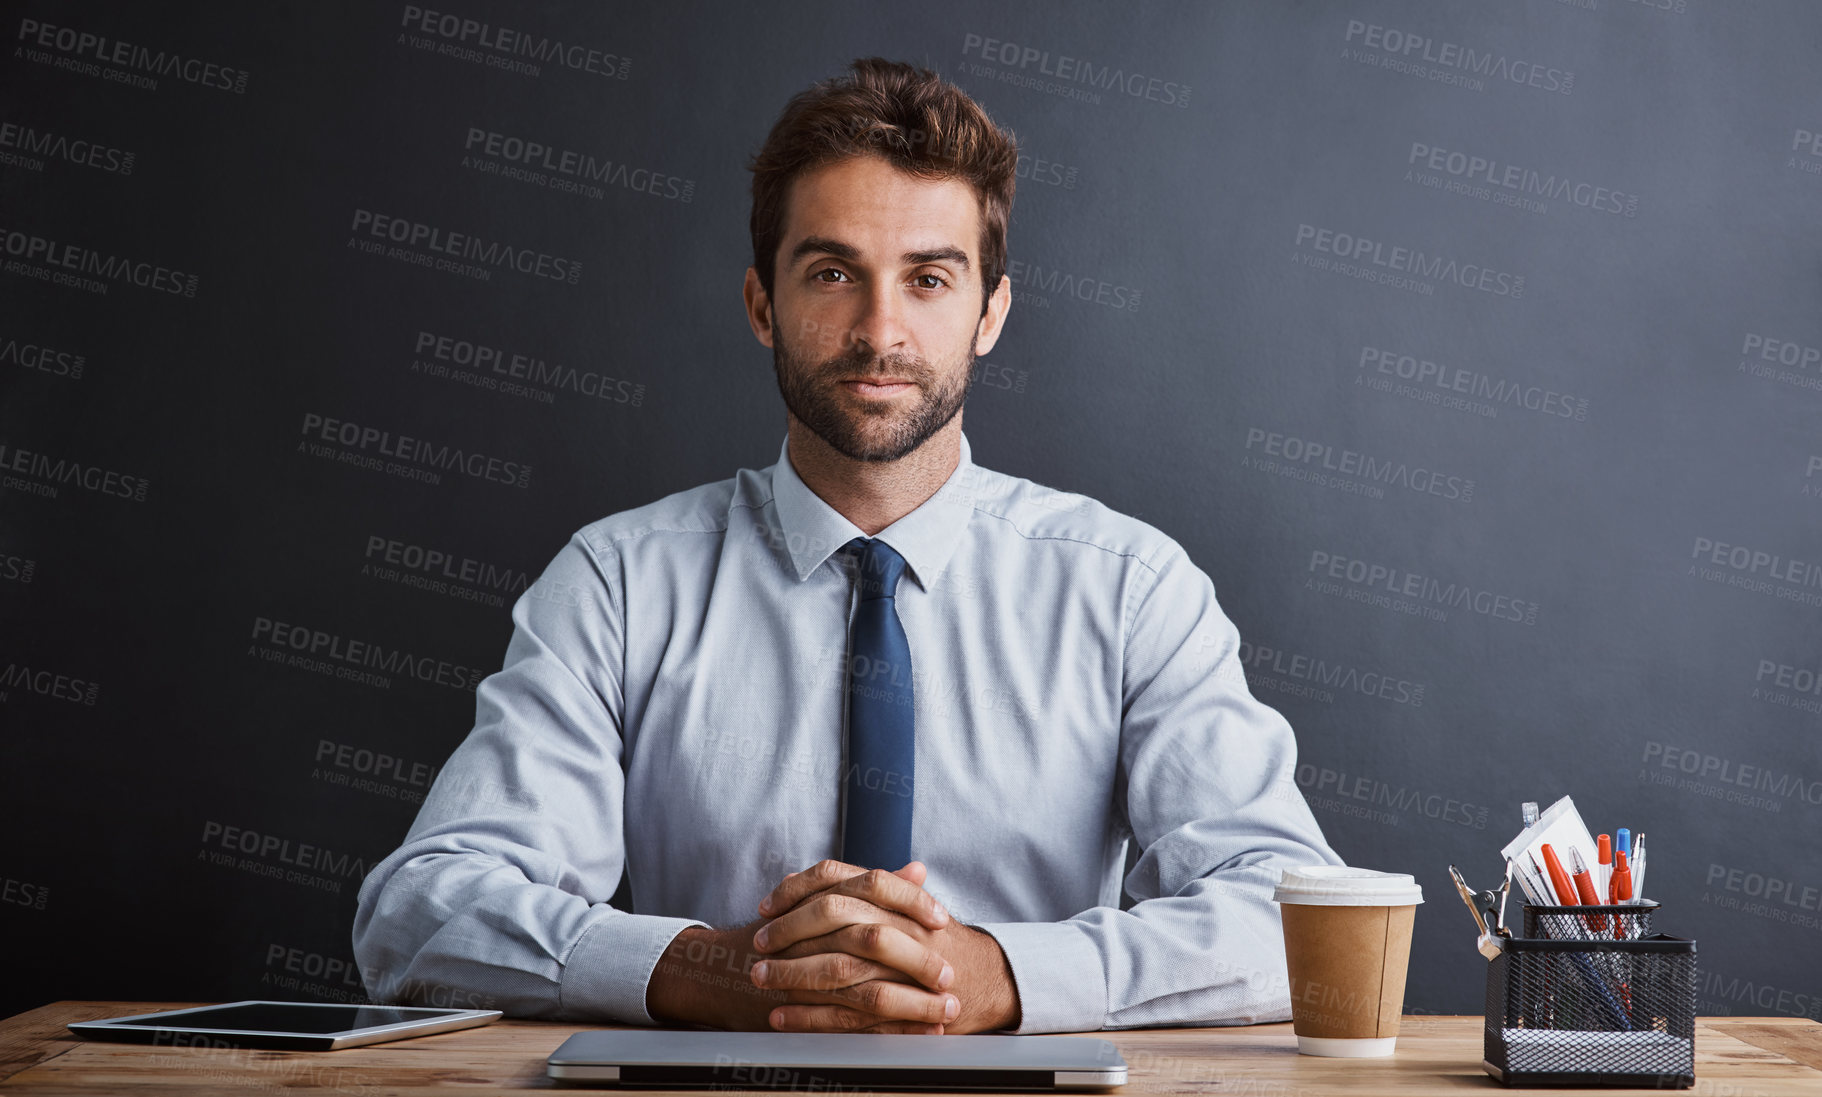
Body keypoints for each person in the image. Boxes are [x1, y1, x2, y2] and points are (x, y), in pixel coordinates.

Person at [353, 57, 1340, 1037]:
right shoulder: (618, 583)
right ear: (760, 305)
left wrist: (999, 974)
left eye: (928, 278)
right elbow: (417, 913)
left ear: (989, 313)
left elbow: (1296, 918)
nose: (880, 329)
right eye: (832, 273)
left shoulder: (1128, 590)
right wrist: (710, 966)